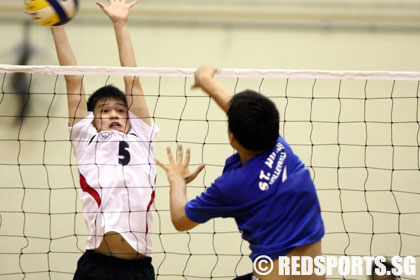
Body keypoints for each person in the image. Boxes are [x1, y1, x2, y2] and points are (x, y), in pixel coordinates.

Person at [156, 65, 325, 280]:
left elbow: (180, 220)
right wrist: (209, 83)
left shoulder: (232, 186)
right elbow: (238, 112)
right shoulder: (281, 148)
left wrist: (176, 179)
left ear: (232, 137)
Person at [29, 0, 158, 279]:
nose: (113, 113)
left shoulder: (142, 135)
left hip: (139, 268)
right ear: (92, 118)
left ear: (129, 116)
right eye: (104, 109)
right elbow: (73, 80)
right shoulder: (86, 138)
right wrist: (57, 25)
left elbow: (132, 80)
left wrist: (120, 24)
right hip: (97, 266)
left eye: (120, 110)